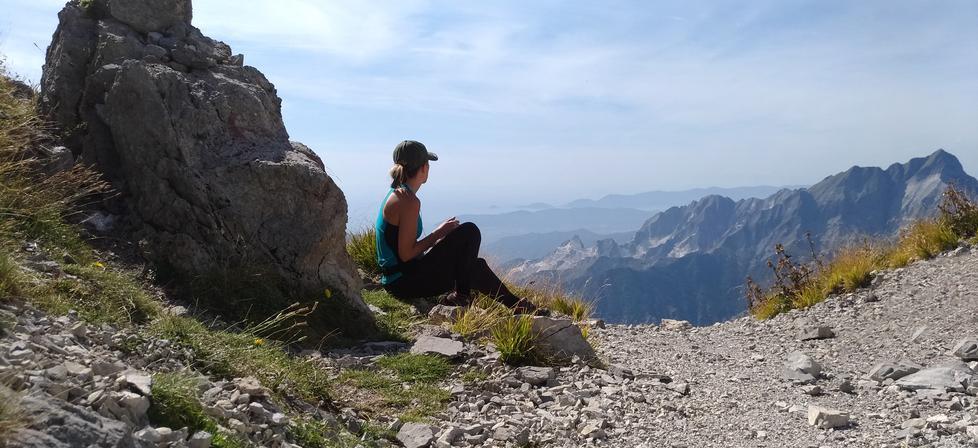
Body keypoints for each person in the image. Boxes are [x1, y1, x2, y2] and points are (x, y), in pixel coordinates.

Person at [375, 140, 540, 314]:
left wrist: (441, 237)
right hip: (403, 283)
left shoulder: (398, 194)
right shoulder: (407, 201)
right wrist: (438, 234)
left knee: (474, 265)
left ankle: (515, 306)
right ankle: (461, 297)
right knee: (470, 231)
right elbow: (406, 254)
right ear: (423, 168)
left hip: (400, 276)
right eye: (428, 164)